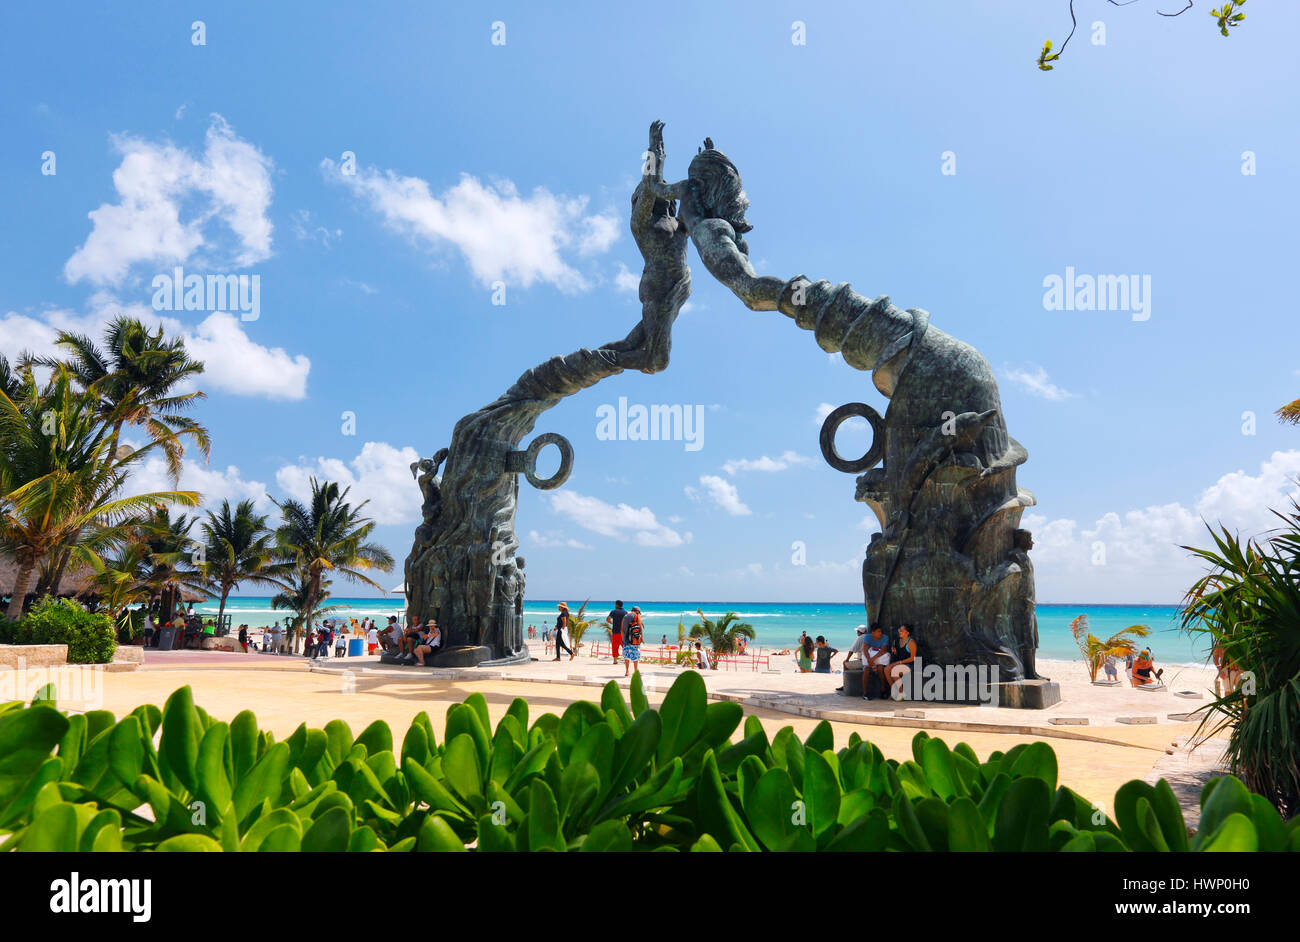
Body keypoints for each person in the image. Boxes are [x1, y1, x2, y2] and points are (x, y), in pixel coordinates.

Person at [885, 625, 917, 697]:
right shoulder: (897, 640)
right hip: (899, 663)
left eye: (901, 630)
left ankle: (901, 693)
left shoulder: (911, 642)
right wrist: (895, 652)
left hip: (909, 665)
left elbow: (913, 658)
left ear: (907, 632)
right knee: (886, 669)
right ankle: (894, 691)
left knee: (895, 671)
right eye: (899, 630)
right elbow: (898, 654)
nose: (899, 631)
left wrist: (900, 662)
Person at [863, 624, 892, 699]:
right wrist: (869, 659)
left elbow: (883, 650)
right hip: (871, 658)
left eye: (881, 631)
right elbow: (865, 649)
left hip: (879, 659)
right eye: (878, 631)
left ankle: (883, 688)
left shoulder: (885, 637)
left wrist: (872, 659)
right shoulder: (867, 637)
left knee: (880, 668)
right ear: (873, 633)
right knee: (866, 669)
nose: (880, 633)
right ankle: (865, 692)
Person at [837, 625, 868, 692]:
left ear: (859, 632)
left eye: (857, 631)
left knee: (845, 664)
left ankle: (846, 684)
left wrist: (847, 659)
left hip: (862, 662)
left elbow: (852, 650)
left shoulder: (860, 638)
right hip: (868, 661)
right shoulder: (868, 637)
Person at [624, 607, 644, 677]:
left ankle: (627, 671)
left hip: (626, 640)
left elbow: (621, 628)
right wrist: (642, 637)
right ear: (637, 611)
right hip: (634, 639)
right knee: (635, 656)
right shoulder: (637, 615)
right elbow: (640, 627)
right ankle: (635, 672)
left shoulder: (625, 616)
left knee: (627, 656)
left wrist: (623, 638)